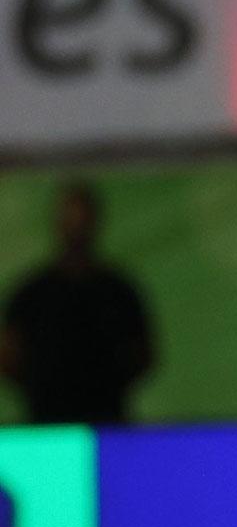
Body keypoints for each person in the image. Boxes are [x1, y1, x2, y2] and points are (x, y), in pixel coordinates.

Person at [1, 182, 155, 424]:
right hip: (45, 424)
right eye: (70, 220)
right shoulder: (30, 294)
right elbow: (8, 358)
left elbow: (144, 355)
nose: (76, 229)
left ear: (95, 223)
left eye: (82, 220)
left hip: (107, 420)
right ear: (58, 224)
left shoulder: (119, 292)